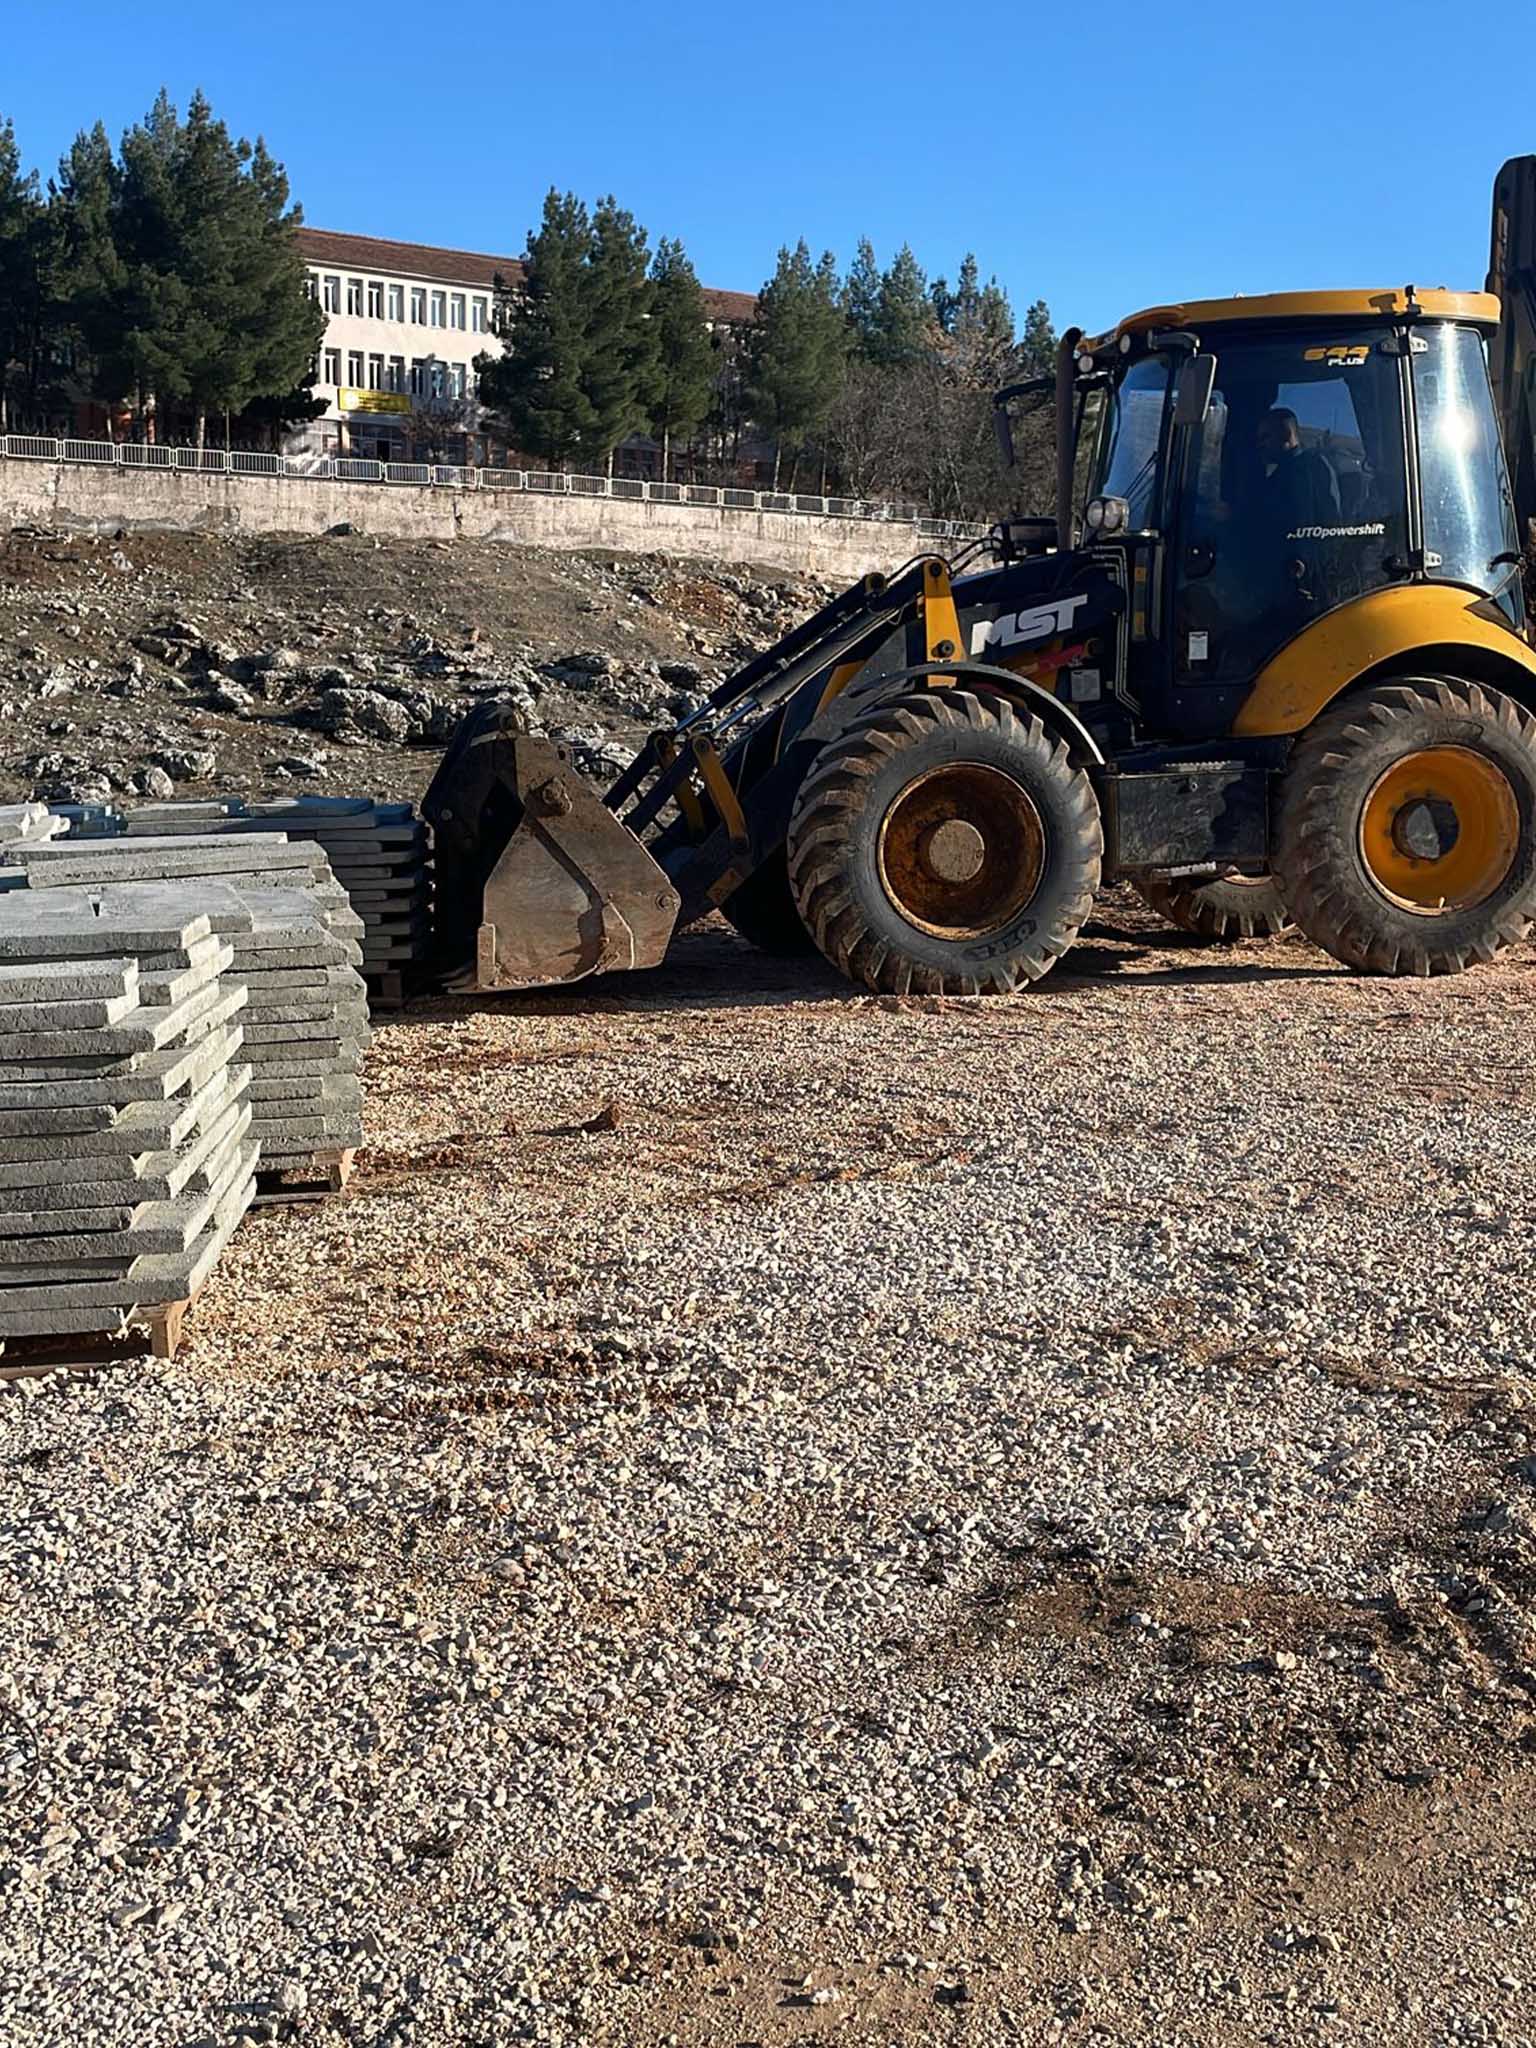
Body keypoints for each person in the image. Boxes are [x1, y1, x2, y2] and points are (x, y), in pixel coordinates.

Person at [1255, 408, 1340, 533]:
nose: (1260, 445)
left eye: (1265, 437)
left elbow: (1329, 523)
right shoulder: (1278, 475)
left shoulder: (1311, 469)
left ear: (1286, 434)